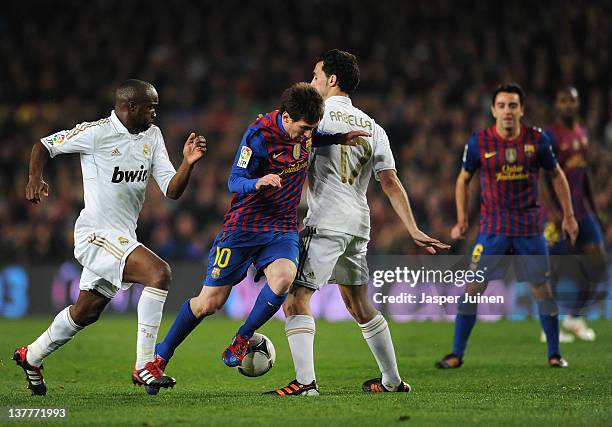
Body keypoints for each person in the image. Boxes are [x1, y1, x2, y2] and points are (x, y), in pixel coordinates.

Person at [152, 82, 368, 390]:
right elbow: (234, 180)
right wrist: (258, 182)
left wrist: (339, 137)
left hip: (281, 227)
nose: (308, 136)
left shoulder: (306, 131)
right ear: (287, 117)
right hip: (243, 228)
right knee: (209, 303)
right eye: (304, 128)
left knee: (283, 279)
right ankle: (160, 356)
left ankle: (242, 338)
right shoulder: (259, 136)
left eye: (313, 129)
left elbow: (314, 136)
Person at [265, 50, 450, 396]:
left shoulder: (315, 118)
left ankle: (305, 384)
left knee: (296, 299)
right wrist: (412, 227)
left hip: (327, 222)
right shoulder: (374, 127)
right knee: (358, 304)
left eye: (317, 75)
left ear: (332, 80)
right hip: (358, 225)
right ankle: (393, 381)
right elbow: (390, 181)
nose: (313, 81)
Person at [14, 79, 207, 395]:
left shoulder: (152, 136)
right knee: (160, 273)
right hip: (95, 235)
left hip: (122, 238)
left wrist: (187, 164)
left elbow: (172, 190)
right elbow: (43, 145)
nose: (156, 113)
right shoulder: (95, 133)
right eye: (151, 107)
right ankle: (145, 365)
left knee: (85, 312)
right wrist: (35, 177)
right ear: (131, 107)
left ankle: (31, 356)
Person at [435, 83, 578, 369]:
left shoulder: (537, 140)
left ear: (522, 109)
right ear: (493, 110)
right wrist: (462, 219)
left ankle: (554, 353)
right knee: (473, 288)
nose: (507, 111)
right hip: (492, 230)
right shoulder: (479, 142)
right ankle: (456, 354)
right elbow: (464, 179)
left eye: (513, 105)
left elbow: (556, 174)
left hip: (529, 229)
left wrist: (569, 215)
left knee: (542, 290)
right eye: (502, 105)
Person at [540, 86, 607, 342]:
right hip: (557, 214)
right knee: (554, 269)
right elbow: (543, 177)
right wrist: (555, 211)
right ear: (557, 105)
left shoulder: (582, 133)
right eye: (563, 100)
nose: (568, 105)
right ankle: (549, 326)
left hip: (582, 211)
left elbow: (585, 173)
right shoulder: (550, 136)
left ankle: (575, 316)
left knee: (599, 263)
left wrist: (594, 208)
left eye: (572, 101)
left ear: (577, 104)